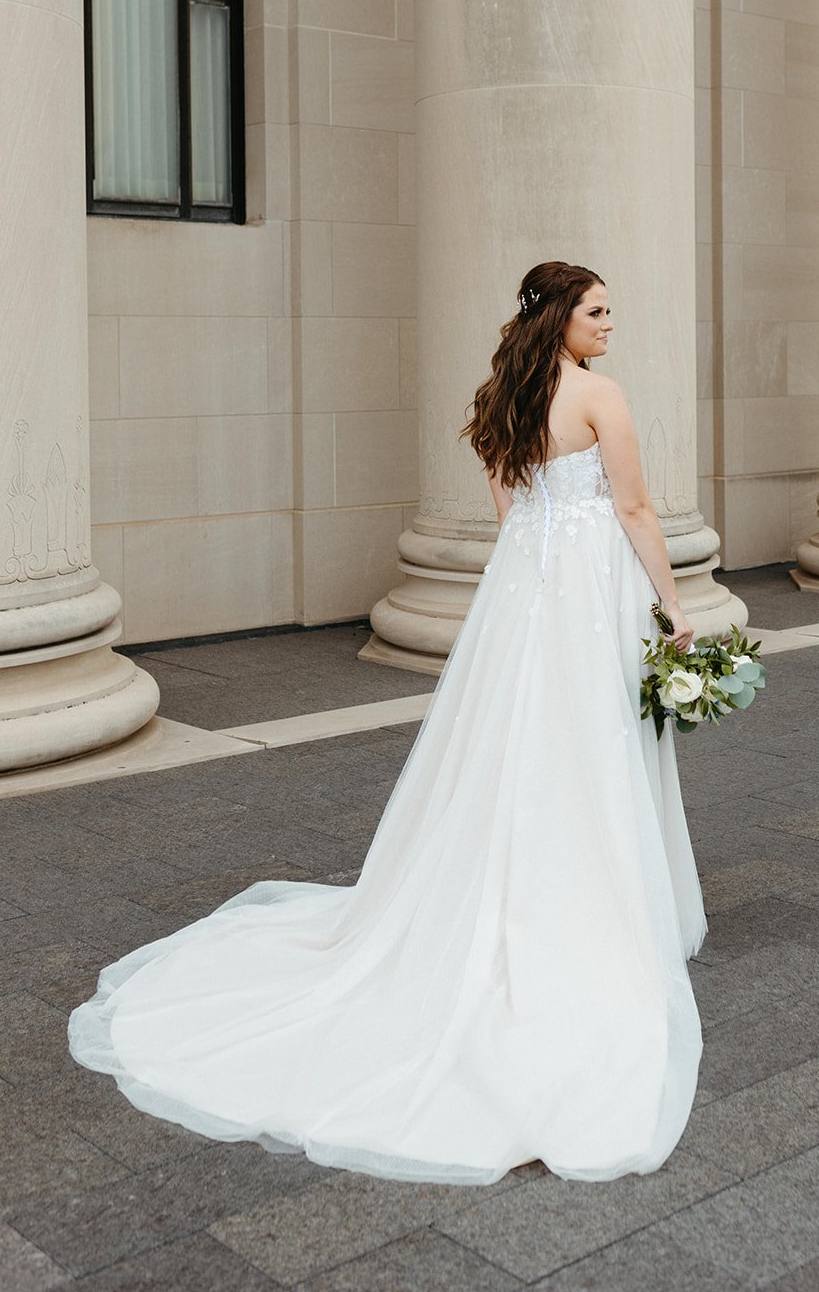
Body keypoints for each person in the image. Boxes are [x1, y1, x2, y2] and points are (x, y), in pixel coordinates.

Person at [68, 260, 707, 1186]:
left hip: (524, 590)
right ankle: (594, 905)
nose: (611, 324)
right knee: (588, 739)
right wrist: (673, 602)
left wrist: (541, 565)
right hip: (587, 588)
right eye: (597, 311)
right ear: (559, 319)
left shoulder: (503, 395)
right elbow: (636, 507)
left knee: (513, 742)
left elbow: (511, 512)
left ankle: (506, 889)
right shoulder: (600, 396)